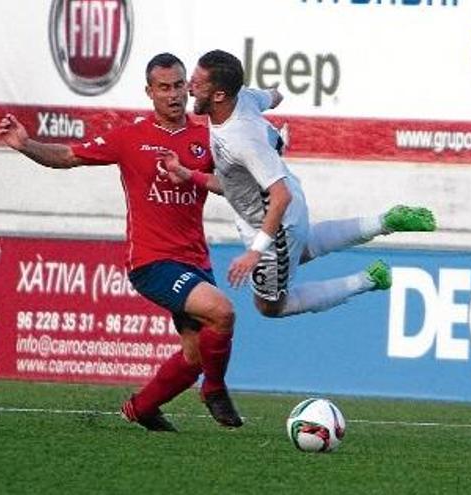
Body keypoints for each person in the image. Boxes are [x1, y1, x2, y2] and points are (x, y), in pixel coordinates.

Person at [0, 53, 243, 431]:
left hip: (196, 259)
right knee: (223, 312)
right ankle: (214, 390)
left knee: (195, 356)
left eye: (179, 85)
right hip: (151, 261)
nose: (174, 94)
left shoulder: (206, 137)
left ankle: (141, 408)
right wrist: (25, 143)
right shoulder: (130, 136)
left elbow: (232, 185)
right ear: (149, 92)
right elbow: (67, 156)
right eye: (164, 87)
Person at [161, 50, 435, 318]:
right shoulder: (242, 98)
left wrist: (255, 252)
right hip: (282, 202)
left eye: (196, 84)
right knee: (297, 252)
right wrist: (188, 174)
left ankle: (369, 279)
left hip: (275, 221)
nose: (188, 89)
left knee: (270, 306)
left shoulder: (240, 139)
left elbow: (280, 197)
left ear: (219, 95)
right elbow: (275, 96)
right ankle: (384, 222)